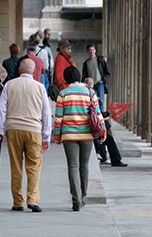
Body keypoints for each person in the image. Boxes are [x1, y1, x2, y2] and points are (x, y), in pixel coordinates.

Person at [0, 59, 52, 213]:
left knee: (16, 165)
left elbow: (1, 108)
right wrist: (46, 137)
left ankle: (18, 201)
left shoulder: (9, 85)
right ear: (34, 72)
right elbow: (46, 113)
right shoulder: (40, 87)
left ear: (20, 70)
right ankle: (32, 199)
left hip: (13, 129)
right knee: (33, 166)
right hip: (34, 130)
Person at [53, 66, 106, 211]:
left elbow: (58, 118)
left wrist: (57, 136)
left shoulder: (63, 94)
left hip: (69, 135)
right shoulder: (90, 92)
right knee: (84, 166)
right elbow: (98, 113)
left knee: (73, 166)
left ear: (66, 79)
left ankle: (75, 199)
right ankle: (83, 196)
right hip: (87, 135)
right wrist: (103, 132)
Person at [84, 78, 127, 167]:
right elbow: (94, 112)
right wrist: (106, 114)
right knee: (108, 136)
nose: (90, 85)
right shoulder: (89, 95)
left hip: (92, 123)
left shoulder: (90, 94)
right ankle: (114, 160)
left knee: (107, 134)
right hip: (91, 125)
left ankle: (107, 157)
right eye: (88, 83)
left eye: (91, 83)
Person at [82, 43, 111, 112]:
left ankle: (102, 118)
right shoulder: (86, 63)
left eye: (93, 50)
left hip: (100, 83)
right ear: (87, 51)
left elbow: (107, 72)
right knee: (93, 102)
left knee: (101, 101)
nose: (92, 51)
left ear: (95, 50)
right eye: (90, 50)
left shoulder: (100, 60)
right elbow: (84, 75)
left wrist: (104, 81)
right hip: (91, 85)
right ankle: (95, 118)